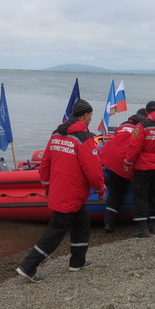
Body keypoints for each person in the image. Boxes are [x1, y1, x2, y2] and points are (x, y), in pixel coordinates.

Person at [16, 100, 106, 282]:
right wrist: (100, 189)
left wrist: (47, 186)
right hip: (72, 192)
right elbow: (93, 169)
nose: (91, 119)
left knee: (82, 224)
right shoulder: (84, 139)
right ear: (84, 115)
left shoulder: (56, 134)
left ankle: (77, 262)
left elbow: (46, 162)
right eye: (90, 116)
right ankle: (28, 266)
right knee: (55, 231)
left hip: (61, 189)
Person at [123, 101, 155, 238]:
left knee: (140, 196)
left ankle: (142, 228)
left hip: (144, 166)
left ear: (146, 112)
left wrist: (128, 162)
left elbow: (134, 146)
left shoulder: (142, 126)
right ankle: (153, 225)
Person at [98, 112, 146, 232]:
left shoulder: (121, 127)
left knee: (115, 191)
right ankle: (141, 223)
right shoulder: (140, 129)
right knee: (139, 190)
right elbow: (137, 148)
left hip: (108, 159)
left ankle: (108, 223)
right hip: (124, 161)